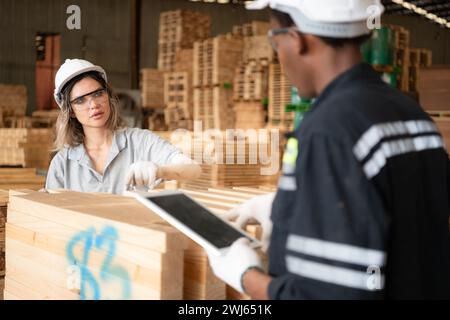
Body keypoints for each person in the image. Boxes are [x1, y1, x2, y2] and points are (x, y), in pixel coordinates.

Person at [207, 0, 450, 299]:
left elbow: (327, 295)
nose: (279, 55)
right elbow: (397, 210)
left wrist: (246, 277)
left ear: (297, 40)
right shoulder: (412, 114)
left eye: (275, 40)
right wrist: (294, 207)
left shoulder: (328, 130)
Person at [45, 59, 201, 194]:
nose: (93, 105)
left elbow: (194, 170)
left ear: (108, 95)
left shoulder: (141, 142)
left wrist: (160, 170)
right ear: (70, 111)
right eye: (80, 100)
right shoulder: (62, 163)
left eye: (98, 94)